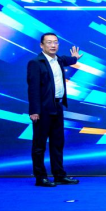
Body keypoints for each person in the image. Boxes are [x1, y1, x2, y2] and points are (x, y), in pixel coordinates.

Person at [27, 33, 82, 187]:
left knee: (57, 143)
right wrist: (34, 110)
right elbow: (33, 88)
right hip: (42, 109)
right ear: (41, 45)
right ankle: (41, 177)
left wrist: (75, 58)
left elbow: (67, 60)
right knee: (39, 145)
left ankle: (59, 175)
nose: (53, 45)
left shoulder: (58, 60)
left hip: (57, 107)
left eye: (55, 42)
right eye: (49, 42)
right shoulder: (35, 63)